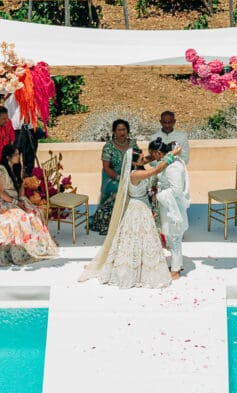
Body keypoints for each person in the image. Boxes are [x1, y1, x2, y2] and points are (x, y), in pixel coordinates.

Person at [79, 146, 182, 289]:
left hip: (141, 205)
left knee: (141, 238)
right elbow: (157, 170)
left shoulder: (136, 167)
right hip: (138, 208)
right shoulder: (135, 174)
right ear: (134, 162)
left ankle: (140, 264)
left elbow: (149, 159)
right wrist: (172, 154)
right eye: (141, 158)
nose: (144, 159)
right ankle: (132, 269)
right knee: (137, 237)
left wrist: (160, 153)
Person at [0, 144, 59, 267]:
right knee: (22, 217)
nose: (18, 156)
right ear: (8, 157)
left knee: (34, 212)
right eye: (16, 154)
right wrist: (17, 203)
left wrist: (22, 199)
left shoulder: (15, 168)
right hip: (0, 204)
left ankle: (36, 244)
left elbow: (20, 186)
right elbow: (1, 193)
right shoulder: (0, 171)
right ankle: (19, 251)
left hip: (12, 200)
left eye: (18, 154)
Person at [89, 119, 141, 234]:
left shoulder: (132, 144)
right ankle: (111, 224)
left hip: (130, 175)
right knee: (119, 189)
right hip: (112, 177)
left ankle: (133, 222)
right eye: (119, 130)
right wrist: (120, 178)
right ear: (114, 132)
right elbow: (106, 167)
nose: (122, 132)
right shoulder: (109, 146)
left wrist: (137, 175)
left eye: (124, 129)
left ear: (127, 131)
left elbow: (138, 161)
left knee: (142, 188)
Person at [149, 138, 190, 280]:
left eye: (152, 154)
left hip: (173, 207)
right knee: (170, 238)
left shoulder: (173, 167)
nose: (152, 157)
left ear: (158, 152)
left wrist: (159, 195)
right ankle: (175, 264)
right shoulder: (167, 161)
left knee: (175, 238)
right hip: (167, 205)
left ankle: (176, 270)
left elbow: (176, 190)